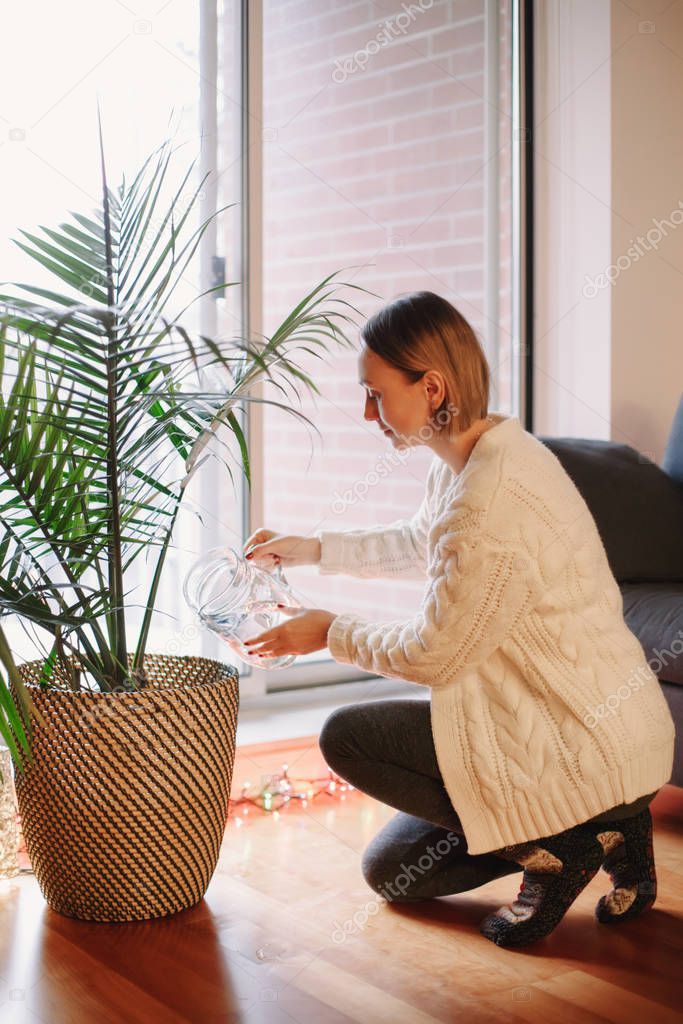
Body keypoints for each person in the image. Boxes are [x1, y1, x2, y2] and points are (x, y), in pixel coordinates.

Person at [241, 290, 675, 948]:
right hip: (605, 732)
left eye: (376, 394)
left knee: (346, 737)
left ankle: (564, 840)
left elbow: (433, 654)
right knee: (393, 874)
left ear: (433, 386)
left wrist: (325, 633)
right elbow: (422, 542)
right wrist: (313, 548)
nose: (367, 413)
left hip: (581, 740)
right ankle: (616, 826)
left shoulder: (489, 497)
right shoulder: (482, 451)